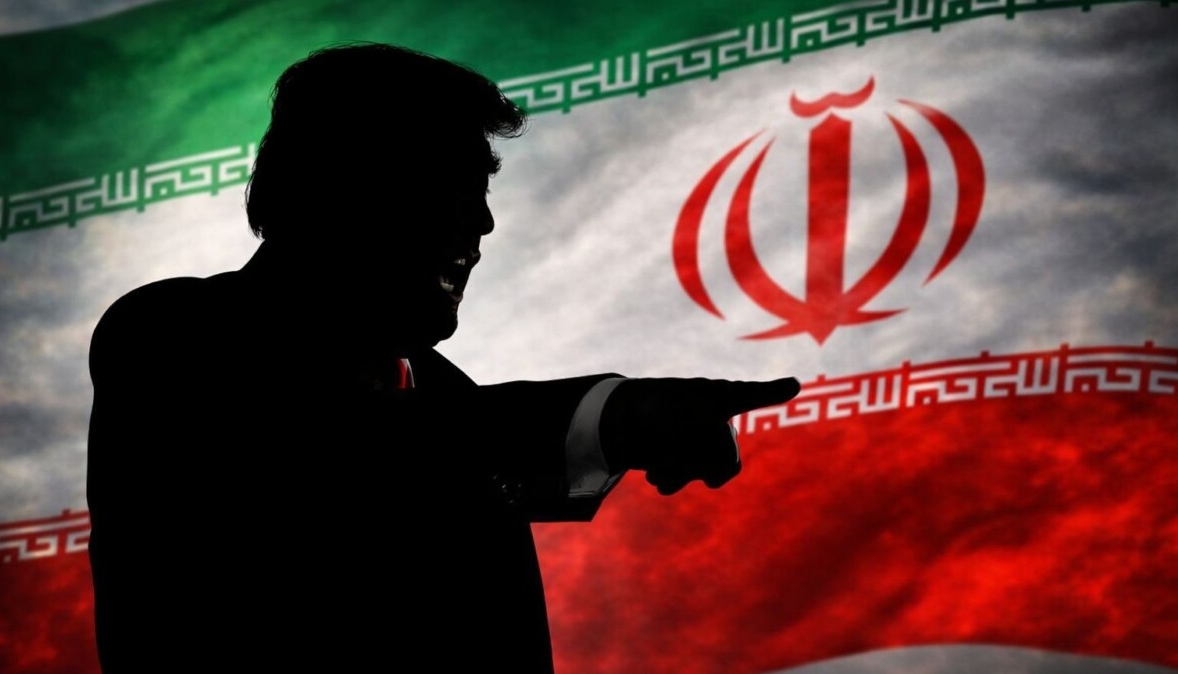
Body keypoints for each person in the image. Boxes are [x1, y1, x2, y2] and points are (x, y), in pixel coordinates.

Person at [86, 43, 800, 673]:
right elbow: (339, 451)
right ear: (342, 187)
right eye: (452, 185)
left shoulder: (441, 390)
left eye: (481, 191)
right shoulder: (170, 333)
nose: (482, 221)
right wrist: (614, 413)